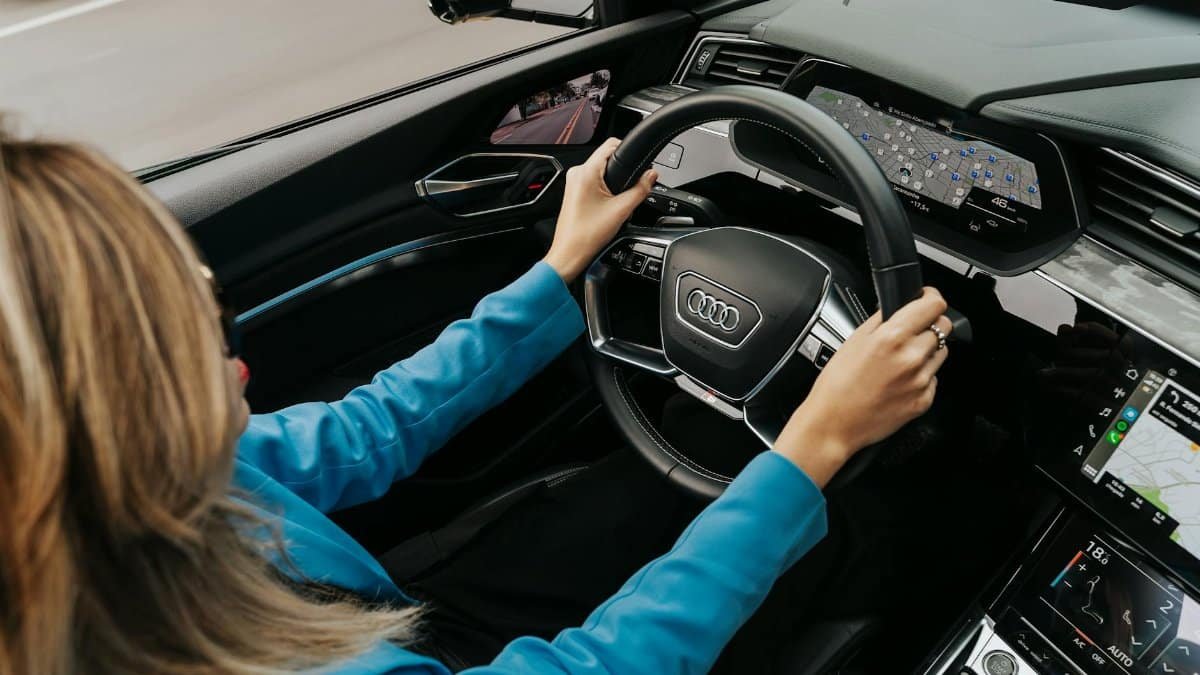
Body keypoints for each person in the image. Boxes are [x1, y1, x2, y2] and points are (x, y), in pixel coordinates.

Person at [0, 132, 951, 675]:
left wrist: (558, 268)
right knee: (857, 531)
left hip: (398, 624)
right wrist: (815, 447)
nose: (239, 365)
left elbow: (370, 429)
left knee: (638, 496)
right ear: (97, 414)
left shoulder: (153, 471)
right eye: (195, 334)